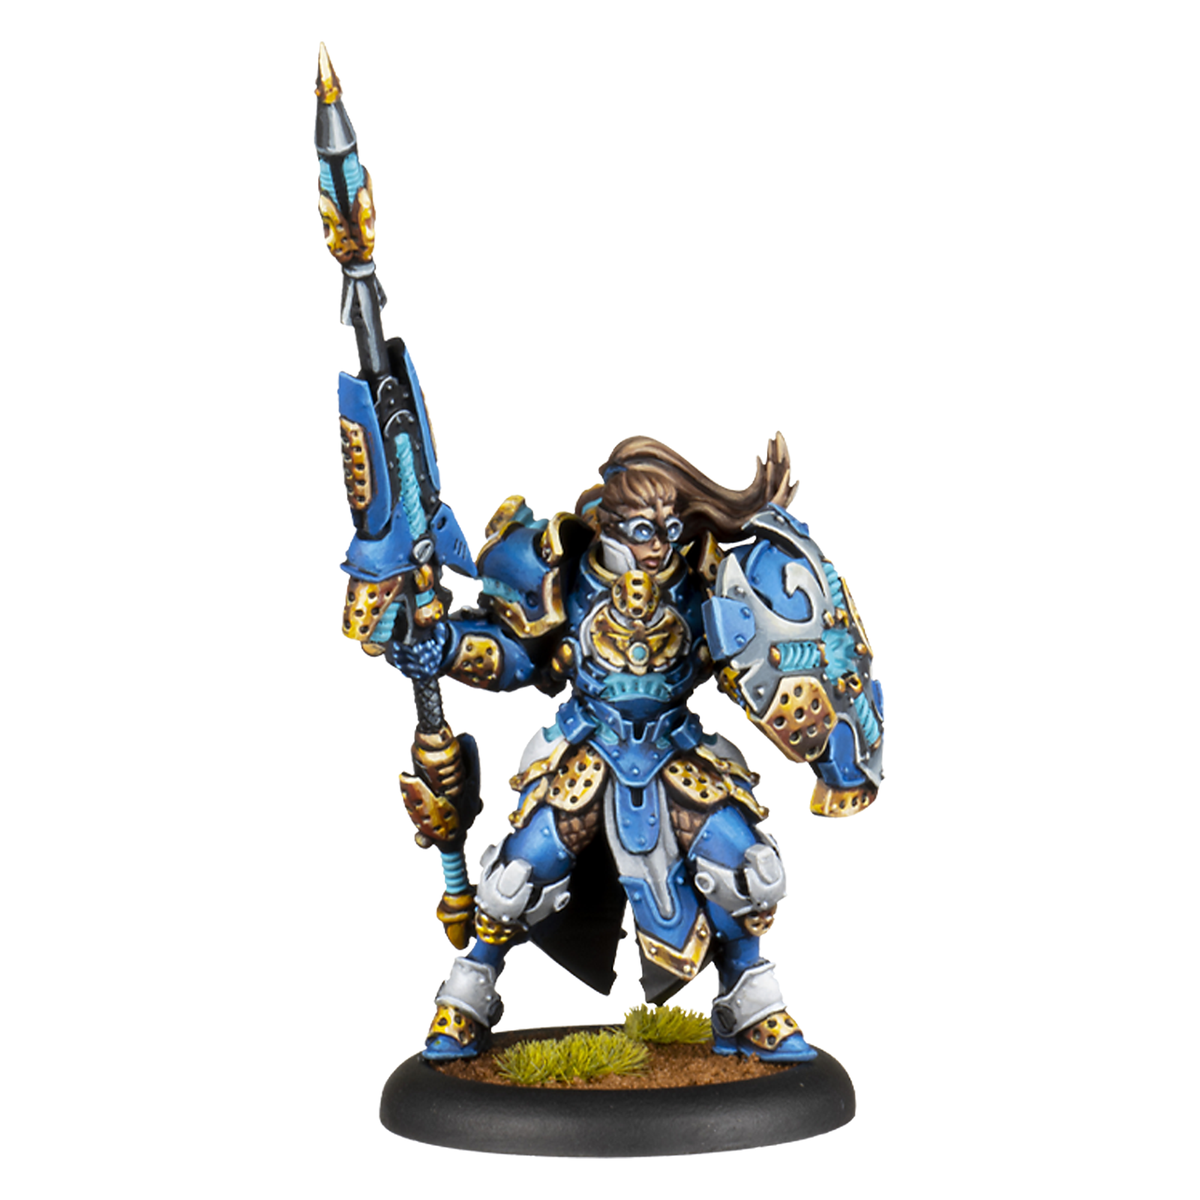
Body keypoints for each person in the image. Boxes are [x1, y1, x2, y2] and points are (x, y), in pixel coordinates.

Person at [389, 434, 882, 1063]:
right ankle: (466, 1000)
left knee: (752, 873)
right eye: (643, 531)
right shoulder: (566, 578)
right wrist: (445, 648)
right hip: (589, 752)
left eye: (669, 531)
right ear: (609, 523)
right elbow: (515, 656)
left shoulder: (700, 583)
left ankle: (749, 1005)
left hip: (676, 754)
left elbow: (759, 660)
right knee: (514, 879)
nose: (657, 548)